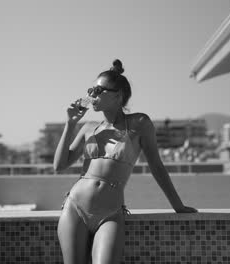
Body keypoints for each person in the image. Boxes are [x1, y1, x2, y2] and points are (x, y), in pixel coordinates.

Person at [53, 59, 197, 264]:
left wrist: (178, 206)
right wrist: (70, 124)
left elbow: (156, 166)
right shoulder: (88, 128)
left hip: (110, 212)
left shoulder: (140, 123)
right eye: (91, 90)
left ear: (118, 96)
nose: (92, 95)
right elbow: (59, 165)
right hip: (75, 206)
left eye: (98, 90)